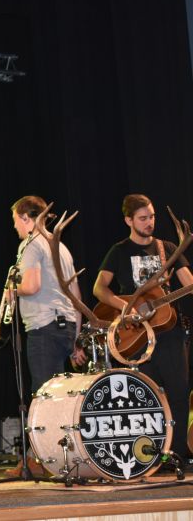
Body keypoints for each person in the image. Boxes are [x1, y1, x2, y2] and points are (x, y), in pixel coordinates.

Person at [92, 194, 192, 460]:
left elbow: (189, 282)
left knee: (178, 392)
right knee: (143, 396)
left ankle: (176, 454)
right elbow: (99, 288)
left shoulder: (167, 248)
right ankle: (146, 455)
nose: (150, 222)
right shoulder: (119, 251)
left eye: (152, 217)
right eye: (143, 218)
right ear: (129, 220)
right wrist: (126, 307)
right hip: (135, 335)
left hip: (169, 332)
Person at [5, 195, 80, 477]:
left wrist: (11, 289)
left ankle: (38, 460)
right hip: (65, 325)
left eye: (15, 220)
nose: (14, 227)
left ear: (26, 218)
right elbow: (76, 294)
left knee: (43, 397)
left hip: (44, 327)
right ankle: (59, 457)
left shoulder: (31, 244)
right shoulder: (62, 247)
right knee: (59, 398)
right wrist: (76, 340)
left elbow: (32, 285)